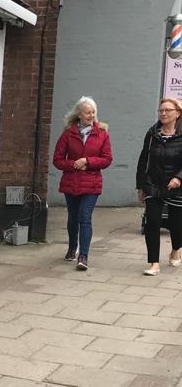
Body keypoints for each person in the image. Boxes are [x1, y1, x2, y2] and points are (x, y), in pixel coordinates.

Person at [53, 96, 113, 271]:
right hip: (71, 181)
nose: (91, 115)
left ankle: (83, 255)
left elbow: (107, 159)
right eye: (87, 112)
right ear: (79, 114)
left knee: (84, 217)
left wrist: (87, 161)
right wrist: (73, 164)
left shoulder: (102, 133)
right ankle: (72, 246)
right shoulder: (67, 134)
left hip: (92, 183)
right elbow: (57, 160)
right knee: (73, 218)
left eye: (93, 112)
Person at [136, 97, 182, 275]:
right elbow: (143, 160)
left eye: (168, 110)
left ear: (177, 113)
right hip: (153, 184)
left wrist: (179, 178)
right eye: (161, 110)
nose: (163, 113)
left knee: (177, 225)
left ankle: (176, 248)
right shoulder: (152, 133)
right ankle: (154, 263)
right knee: (152, 222)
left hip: (177, 186)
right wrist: (141, 185)